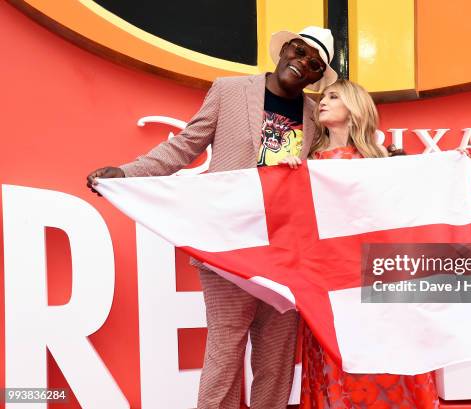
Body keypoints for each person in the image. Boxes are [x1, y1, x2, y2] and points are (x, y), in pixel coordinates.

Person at [86, 26, 338, 409]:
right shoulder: (230, 91)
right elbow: (186, 146)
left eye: (314, 64)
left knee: (277, 357)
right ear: (285, 48)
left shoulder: (313, 116)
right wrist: (126, 173)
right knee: (226, 348)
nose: (302, 63)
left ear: (318, 76)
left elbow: (331, 171)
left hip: (286, 251)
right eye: (299, 51)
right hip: (228, 244)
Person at [280, 79, 440, 409]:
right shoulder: (307, 162)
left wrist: (450, 166)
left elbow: (410, 217)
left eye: (333, 96)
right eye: (323, 96)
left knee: (386, 362)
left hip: (377, 284)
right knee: (336, 365)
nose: (322, 102)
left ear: (354, 110)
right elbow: (292, 223)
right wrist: (289, 175)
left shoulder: (385, 163)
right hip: (328, 287)